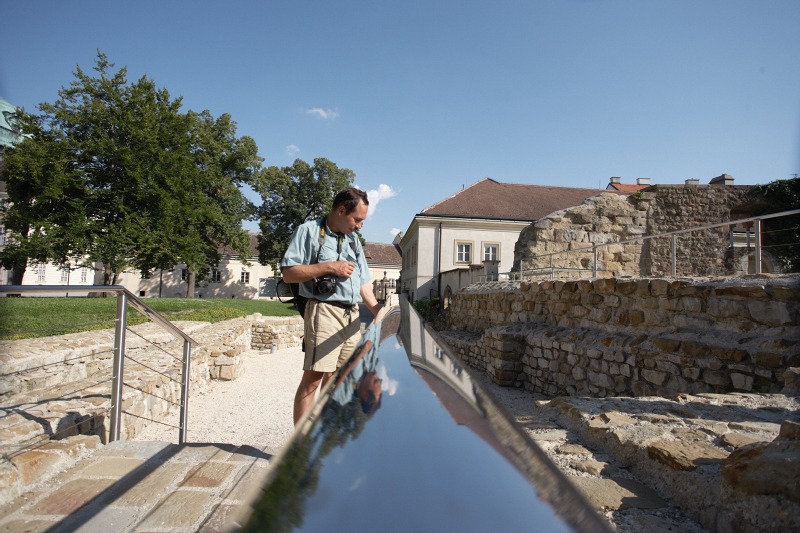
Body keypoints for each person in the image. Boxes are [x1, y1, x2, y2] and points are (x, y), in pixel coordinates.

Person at [281, 187, 381, 425]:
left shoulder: (354, 240)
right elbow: (288, 273)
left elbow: (363, 283)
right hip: (324, 311)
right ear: (341, 210)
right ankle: (300, 447)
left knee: (340, 379)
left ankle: (322, 436)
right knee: (314, 378)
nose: (359, 226)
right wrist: (329, 267)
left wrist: (379, 311)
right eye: (357, 219)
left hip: (352, 316)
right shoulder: (309, 231)